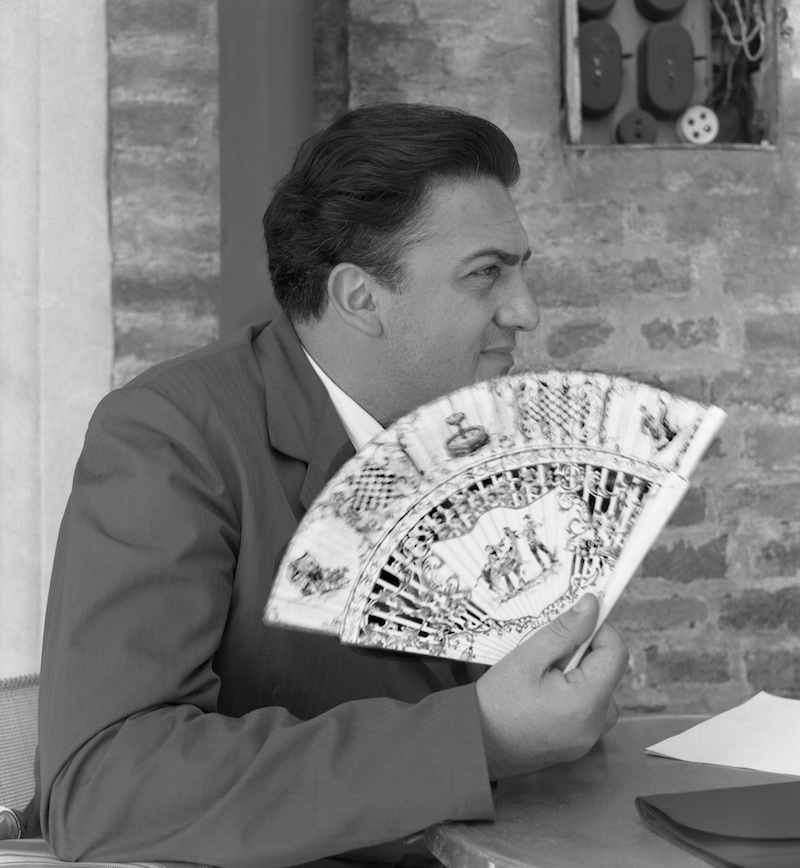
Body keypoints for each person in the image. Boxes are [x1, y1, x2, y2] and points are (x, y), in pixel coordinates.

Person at [35, 103, 629, 868]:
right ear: (359, 298)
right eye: (486, 274)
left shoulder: (479, 441)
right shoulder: (172, 436)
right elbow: (101, 785)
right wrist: (479, 735)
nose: (526, 311)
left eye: (521, 270)